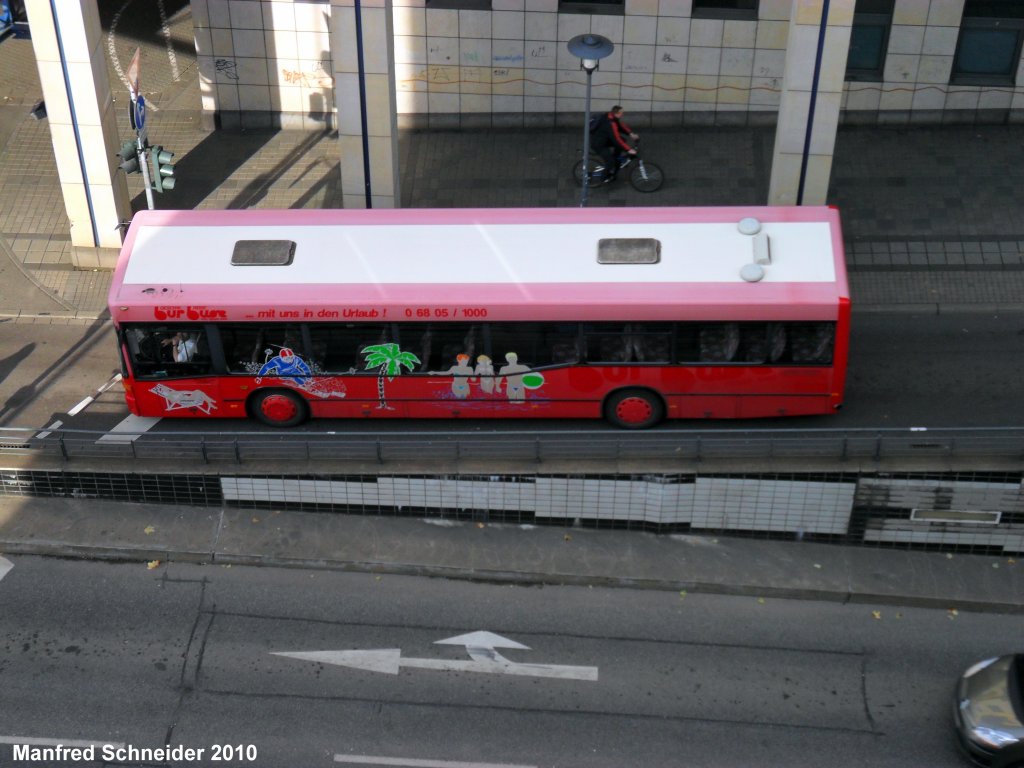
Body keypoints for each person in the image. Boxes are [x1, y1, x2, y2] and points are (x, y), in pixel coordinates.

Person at [590, 105, 639, 183]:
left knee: (622, 140)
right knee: (610, 161)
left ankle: (616, 158)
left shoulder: (611, 116)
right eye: (622, 113)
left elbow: (620, 126)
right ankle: (603, 178)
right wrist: (629, 149)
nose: (623, 114)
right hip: (598, 144)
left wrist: (631, 134)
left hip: (604, 139)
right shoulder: (610, 123)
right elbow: (616, 139)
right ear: (617, 113)